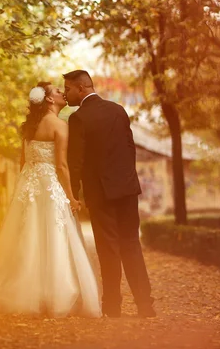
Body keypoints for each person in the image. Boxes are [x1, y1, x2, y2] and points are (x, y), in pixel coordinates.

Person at [0, 82, 101, 318]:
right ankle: (54, 295)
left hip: (29, 184)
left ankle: (24, 291)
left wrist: (26, 185)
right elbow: (61, 165)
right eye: (57, 91)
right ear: (49, 100)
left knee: (28, 237)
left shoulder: (29, 127)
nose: (62, 93)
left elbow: (23, 162)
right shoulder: (60, 125)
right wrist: (71, 196)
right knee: (52, 237)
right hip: (49, 184)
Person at [64, 69, 156, 318]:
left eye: (68, 89)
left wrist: (73, 194)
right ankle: (145, 305)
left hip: (101, 193)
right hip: (126, 189)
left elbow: (75, 162)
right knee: (131, 245)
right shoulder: (118, 110)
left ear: (81, 88)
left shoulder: (78, 118)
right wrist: (127, 179)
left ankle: (112, 306)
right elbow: (129, 147)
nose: (65, 94)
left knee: (108, 248)